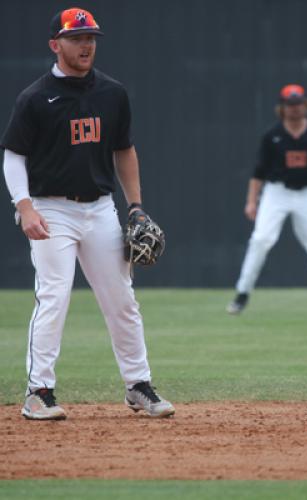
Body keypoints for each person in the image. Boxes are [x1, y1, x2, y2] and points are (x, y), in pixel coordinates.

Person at [1, 8, 174, 420]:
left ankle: (138, 386)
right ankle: (38, 392)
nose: (86, 45)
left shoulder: (112, 93)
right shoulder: (36, 97)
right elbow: (13, 156)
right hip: (50, 208)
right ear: (55, 44)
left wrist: (134, 206)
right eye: (76, 38)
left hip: (99, 209)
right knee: (54, 296)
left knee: (122, 299)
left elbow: (124, 150)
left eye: (91, 37)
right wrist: (23, 206)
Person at [227, 84, 307, 315]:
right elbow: (258, 174)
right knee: (261, 240)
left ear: (306, 105)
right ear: (282, 108)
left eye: (298, 103)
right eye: (290, 104)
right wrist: (252, 201)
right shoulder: (272, 136)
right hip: (276, 193)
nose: (294, 108)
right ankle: (242, 295)